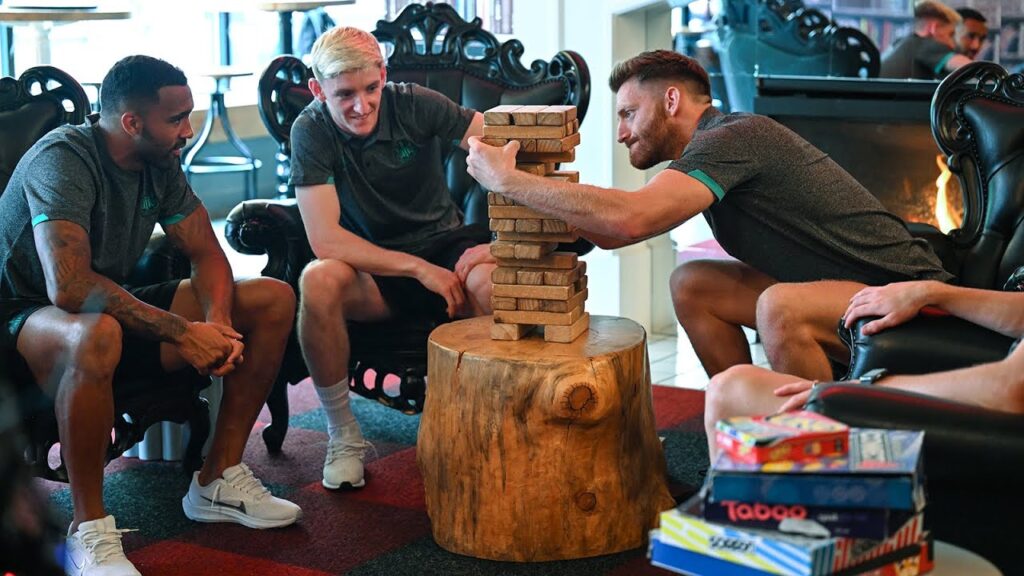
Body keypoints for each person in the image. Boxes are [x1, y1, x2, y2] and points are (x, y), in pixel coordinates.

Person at [466, 49, 951, 381]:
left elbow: (631, 218)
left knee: (780, 305)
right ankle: (746, 425)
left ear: (671, 100)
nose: (621, 133)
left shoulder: (732, 138)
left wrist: (507, 181)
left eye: (628, 113)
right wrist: (510, 242)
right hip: (846, 292)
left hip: (904, 297)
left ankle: (810, 456)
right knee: (693, 284)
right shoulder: (711, 150)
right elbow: (613, 233)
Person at [0, 56, 301, 576]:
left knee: (272, 298)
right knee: (96, 333)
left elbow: (206, 253)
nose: (188, 131)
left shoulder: (160, 160)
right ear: (132, 122)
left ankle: (217, 478)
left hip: (106, 304)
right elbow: (68, 286)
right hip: (24, 312)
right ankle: (88, 529)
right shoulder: (62, 158)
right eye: (176, 119)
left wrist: (218, 324)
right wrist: (183, 332)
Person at [290, 26, 495, 491]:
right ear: (318, 90)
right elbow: (326, 240)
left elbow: (504, 148)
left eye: (370, 88)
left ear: (383, 74)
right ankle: (343, 435)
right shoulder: (311, 129)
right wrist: (417, 269)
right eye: (344, 94)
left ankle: (493, 420)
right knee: (318, 278)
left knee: (492, 281)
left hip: (445, 244)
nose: (361, 106)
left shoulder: (416, 103)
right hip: (374, 268)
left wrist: (502, 241)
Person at [703, 279, 1024, 459]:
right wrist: (933, 292)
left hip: (995, 443)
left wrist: (857, 390)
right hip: (987, 406)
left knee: (730, 392)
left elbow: (1009, 389)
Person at [880, 0, 973, 79]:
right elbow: (972, 68)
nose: (952, 44)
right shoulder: (924, 45)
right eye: (951, 35)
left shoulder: (901, 44)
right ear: (934, 28)